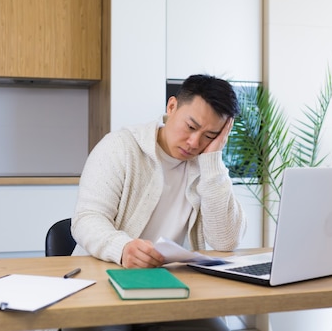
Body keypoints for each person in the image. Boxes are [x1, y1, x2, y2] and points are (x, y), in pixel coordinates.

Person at [69, 74, 246, 331]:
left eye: (210, 135)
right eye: (191, 127)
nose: (195, 143)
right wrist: (123, 248)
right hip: (102, 283)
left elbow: (226, 241)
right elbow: (87, 218)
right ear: (171, 107)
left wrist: (213, 160)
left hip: (167, 288)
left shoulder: (207, 167)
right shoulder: (120, 147)